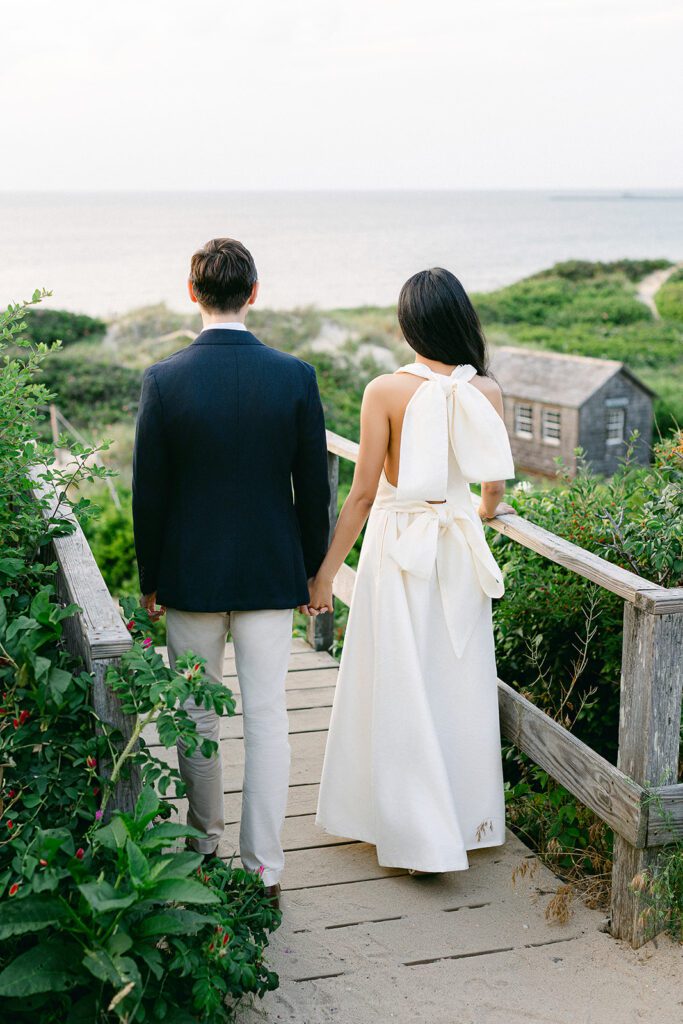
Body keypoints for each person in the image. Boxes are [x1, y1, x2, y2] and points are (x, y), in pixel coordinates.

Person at [132, 238, 330, 907]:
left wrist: (149, 578)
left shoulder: (164, 379)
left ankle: (204, 848)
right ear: (254, 291)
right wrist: (311, 572)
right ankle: (264, 870)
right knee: (269, 717)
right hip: (271, 574)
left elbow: (147, 493)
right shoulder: (294, 376)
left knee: (196, 716)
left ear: (192, 293)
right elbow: (313, 489)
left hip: (188, 576)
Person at [311, 267, 516, 874]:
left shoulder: (385, 391)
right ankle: (460, 817)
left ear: (408, 326)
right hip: (456, 545)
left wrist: (326, 573)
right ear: (461, 320)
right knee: (454, 678)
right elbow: (493, 489)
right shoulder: (489, 392)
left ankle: (402, 825)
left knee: (395, 678)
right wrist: (473, 512)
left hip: (398, 546)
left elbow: (363, 495)